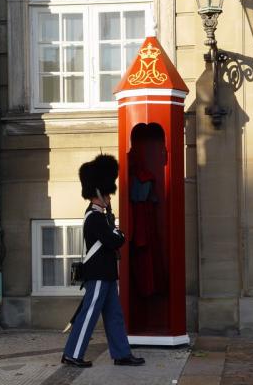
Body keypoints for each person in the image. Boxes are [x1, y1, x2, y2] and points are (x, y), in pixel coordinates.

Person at [61, 154, 145, 368]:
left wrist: (114, 228)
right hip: (98, 274)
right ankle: (72, 354)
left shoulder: (102, 217)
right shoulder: (94, 217)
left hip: (106, 273)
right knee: (89, 315)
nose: (109, 198)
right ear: (98, 193)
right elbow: (114, 240)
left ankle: (121, 354)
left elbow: (113, 239)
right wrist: (120, 233)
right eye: (107, 194)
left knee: (115, 316)